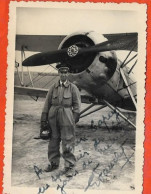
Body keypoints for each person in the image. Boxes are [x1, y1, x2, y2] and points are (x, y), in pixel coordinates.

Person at [40, 65, 81, 177]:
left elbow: (77, 106)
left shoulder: (73, 88)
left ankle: (69, 166)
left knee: (68, 140)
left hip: (67, 116)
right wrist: (44, 119)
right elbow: (47, 104)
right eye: (61, 72)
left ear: (68, 74)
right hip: (53, 116)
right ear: (59, 73)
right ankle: (54, 163)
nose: (63, 75)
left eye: (65, 73)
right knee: (53, 141)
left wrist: (73, 119)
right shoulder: (53, 87)